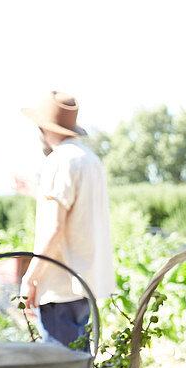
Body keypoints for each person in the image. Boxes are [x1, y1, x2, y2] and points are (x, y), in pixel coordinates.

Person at [19, 91, 116, 347]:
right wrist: (36, 191)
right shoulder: (90, 160)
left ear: (44, 128)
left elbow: (55, 227)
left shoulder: (58, 161)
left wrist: (30, 279)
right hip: (84, 283)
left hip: (59, 287)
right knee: (77, 367)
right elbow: (78, 213)